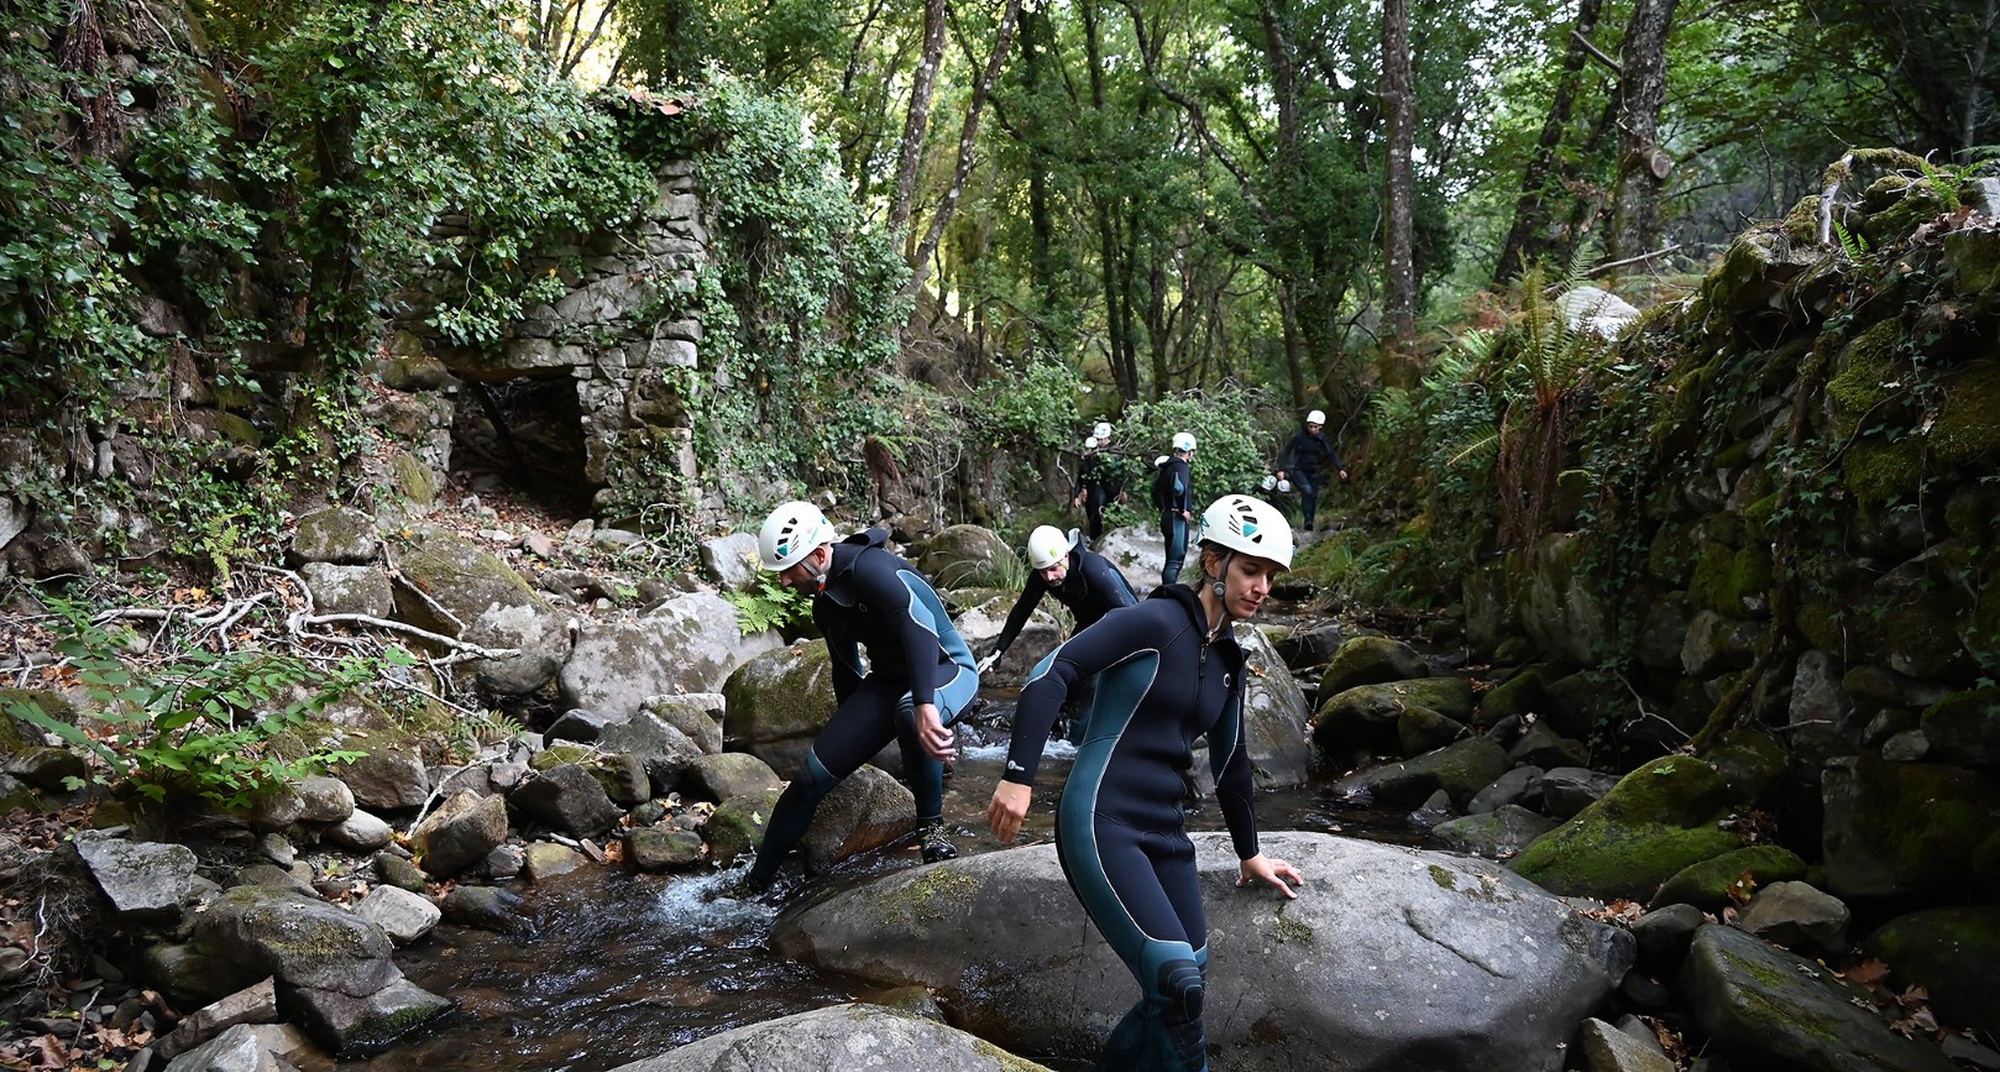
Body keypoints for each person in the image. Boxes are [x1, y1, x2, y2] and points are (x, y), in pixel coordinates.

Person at [987, 494, 1305, 1072]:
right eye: (1250, 570)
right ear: (1212, 563)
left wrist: (1250, 853)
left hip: (1165, 831)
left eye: (1270, 576)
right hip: (1101, 819)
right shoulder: (1155, 621)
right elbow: (1052, 675)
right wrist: (1017, 777)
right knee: (1177, 981)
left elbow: (1232, 765)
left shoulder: (1229, 660)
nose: (1261, 587)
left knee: (1187, 983)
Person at [744, 500, 979, 889]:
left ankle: (931, 830)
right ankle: (755, 885)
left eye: (788, 571)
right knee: (809, 778)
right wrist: (847, 740)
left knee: (908, 711)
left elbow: (920, 631)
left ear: (819, 555)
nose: (784, 582)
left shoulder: (873, 568)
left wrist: (925, 705)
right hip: (889, 681)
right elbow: (848, 673)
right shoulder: (825, 605)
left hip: (946, 667)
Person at [977, 526, 1138, 735]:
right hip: (1090, 623)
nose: (1050, 577)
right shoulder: (1042, 576)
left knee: (1095, 681)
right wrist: (998, 652)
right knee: (1068, 674)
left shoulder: (1094, 569)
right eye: (1043, 572)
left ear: (1065, 556)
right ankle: (1065, 728)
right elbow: (1021, 611)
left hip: (1122, 621)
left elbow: (1129, 614)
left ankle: (1094, 730)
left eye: (1053, 569)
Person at [1274, 408, 1346, 531]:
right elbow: (1286, 451)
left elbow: (1332, 454)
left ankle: (1309, 523)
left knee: (1313, 496)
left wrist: (1340, 469)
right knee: (1306, 491)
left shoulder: (1323, 440)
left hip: (1313, 471)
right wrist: (1281, 469)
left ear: (1320, 427)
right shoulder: (1299, 437)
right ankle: (1307, 519)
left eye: (1315, 427)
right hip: (1297, 470)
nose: (1313, 429)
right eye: (1311, 426)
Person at [1151, 431, 1195, 586]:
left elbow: (1155, 491)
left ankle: (1165, 592)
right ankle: (1168, 596)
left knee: (1170, 559)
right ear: (1190, 451)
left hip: (1167, 516)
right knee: (1175, 561)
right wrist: (1183, 510)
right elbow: (1178, 488)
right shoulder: (1181, 466)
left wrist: (1163, 507)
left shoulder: (1166, 467)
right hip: (1177, 518)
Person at [1071, 422, 1118, 543]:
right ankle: (1094, 538)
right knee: (1091, 512)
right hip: (1093, 488)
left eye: (1100, 439)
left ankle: (1100, 538)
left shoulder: (1114, 453)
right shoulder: (1090, 454)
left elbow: (1116, 475)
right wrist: (1078, 494)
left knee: (1099, 511)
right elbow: (1082, 475)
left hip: (1106, 489)